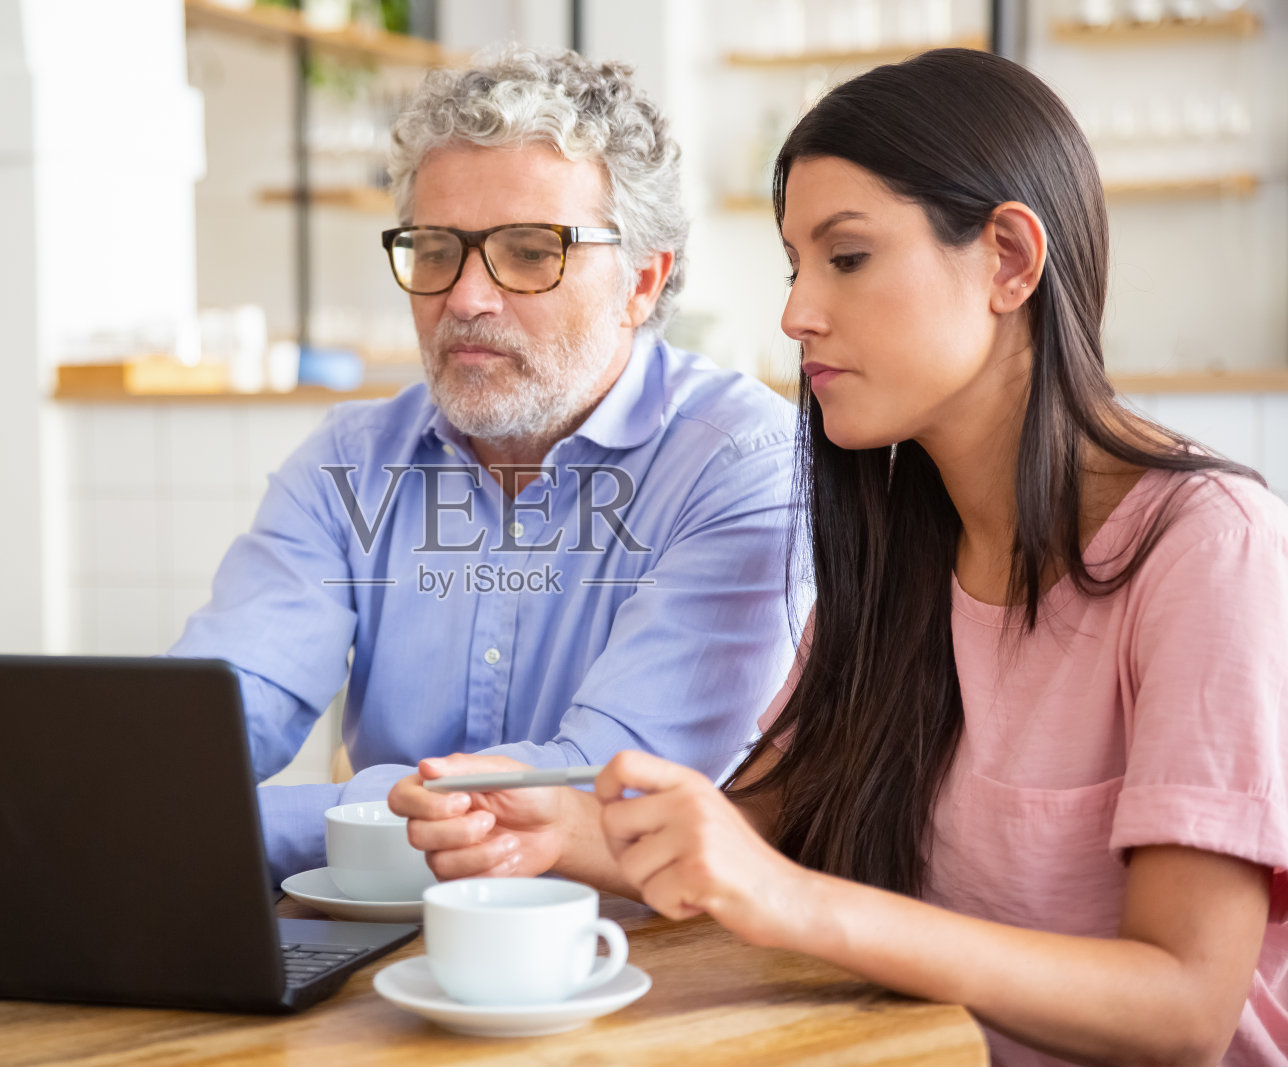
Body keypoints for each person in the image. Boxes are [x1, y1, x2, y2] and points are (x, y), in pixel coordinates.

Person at [392, 48, 1288, 1066]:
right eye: (793, 265)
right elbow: (762, 832)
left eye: (846, 257)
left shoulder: (1205, 545)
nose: (795, 313)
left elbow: (1182, 1007)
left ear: (1006, 259)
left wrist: (793, 901)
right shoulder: (904, 536)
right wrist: (546, 822)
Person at [169, 47, 802, 885]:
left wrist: (226, 820)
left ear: (642, 284)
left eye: (531, 251)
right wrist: (119, 789)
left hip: (637, 964)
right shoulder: (349, 459)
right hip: (376, 940)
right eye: (434, 249)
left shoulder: (742, 464)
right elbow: (198, 731)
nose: (464, 298)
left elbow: (592, 793)